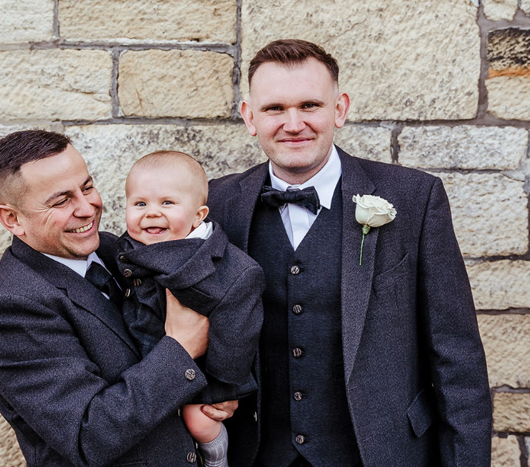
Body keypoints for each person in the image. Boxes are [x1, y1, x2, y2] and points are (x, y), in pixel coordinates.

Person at [208, 39, 492, 466]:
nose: (293, 123)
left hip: (384, 452)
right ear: (250, 117)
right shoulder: (217, 204)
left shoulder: (414, 199)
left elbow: (457, 360)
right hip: (256, 453)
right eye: (274, 109)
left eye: (309, 105)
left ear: (339, 109)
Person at [0, 130, 232, 466]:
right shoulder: (13, 310)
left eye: (87, 187)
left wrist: (219, 393)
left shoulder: (119, 250)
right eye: (62, 201)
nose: (88, 208)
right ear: (12, 219)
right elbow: (89, 434)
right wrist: (181, 351)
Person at [116, 150, 265, 467]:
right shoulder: (126, 249)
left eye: (167, 203)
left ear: (199, 216)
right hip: (143, 368)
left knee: (199, 420)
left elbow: (237, 333)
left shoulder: (227, 270)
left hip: (201, 372)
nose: (152, 213)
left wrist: (224, 388)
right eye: (140, 204)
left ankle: (216, 457)